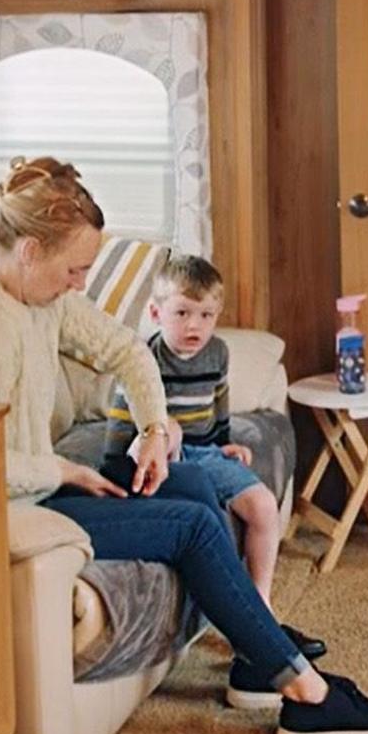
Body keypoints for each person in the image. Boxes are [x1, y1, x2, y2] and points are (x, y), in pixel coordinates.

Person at [0, 156, 368, 734]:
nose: (80, 282)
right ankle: (308, 697)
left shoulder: (35, 295)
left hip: (37, 486)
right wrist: (66, 469)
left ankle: (259, 661)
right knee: (193, 526)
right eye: (75, 268)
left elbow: (127, 349)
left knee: (193, 488)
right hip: (2, 510)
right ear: (29, 250)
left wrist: (155, 430)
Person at [101, 255, 315, 650]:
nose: (194, 325)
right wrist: (122, 462)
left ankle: (260, 606)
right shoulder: (143, 359)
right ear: (156, 312)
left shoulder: (217, 353)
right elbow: (120, 428)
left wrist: (223, 442)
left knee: (263, 507)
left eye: (206, 314)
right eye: (182, 312)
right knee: (173, 429)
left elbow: (219, 401)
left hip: (205, 452)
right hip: (157, 454)